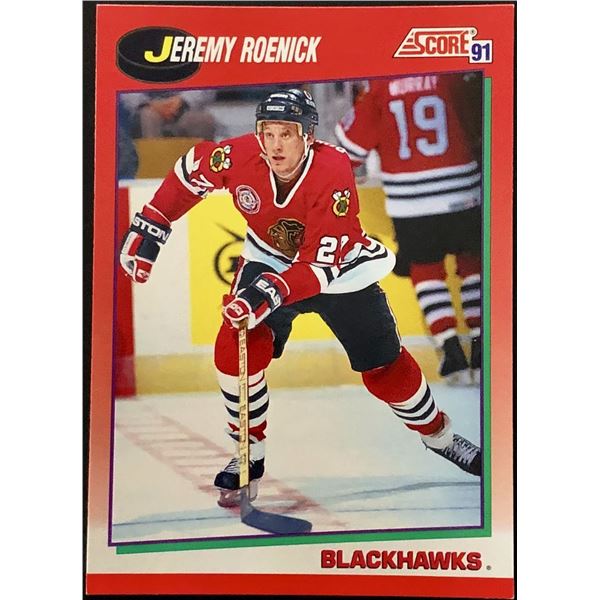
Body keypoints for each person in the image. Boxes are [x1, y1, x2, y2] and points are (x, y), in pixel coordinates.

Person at [120, 89, 481, 508]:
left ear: (307, 136)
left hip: (339, 271)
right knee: (236, 346)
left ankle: (439, 436)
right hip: (268, 259)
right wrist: (153, 222)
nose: (275, 145)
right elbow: (190, 171)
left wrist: (267, 293)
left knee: (386, 371)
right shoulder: (239, 156)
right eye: (267, 133)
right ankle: (248, 454)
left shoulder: (332, 169)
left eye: (286, 134)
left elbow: (318, 267)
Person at [335, 74, 483, 385]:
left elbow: (349, 150)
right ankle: (482, 347)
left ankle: (452, 353)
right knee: (473, 265)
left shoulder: (379, 87)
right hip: (464, 189)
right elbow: (482, 124)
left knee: (426, 271)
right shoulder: (450, 76)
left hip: (411, 201)